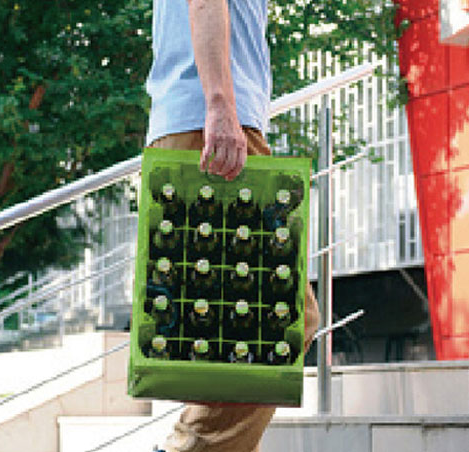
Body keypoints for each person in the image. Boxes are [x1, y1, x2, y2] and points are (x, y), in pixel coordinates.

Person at [148, 0, 323, 450]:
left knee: (240, 333)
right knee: (284, 320)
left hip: (206, 120)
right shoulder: (218, 112)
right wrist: (221, 106)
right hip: (214, 125)